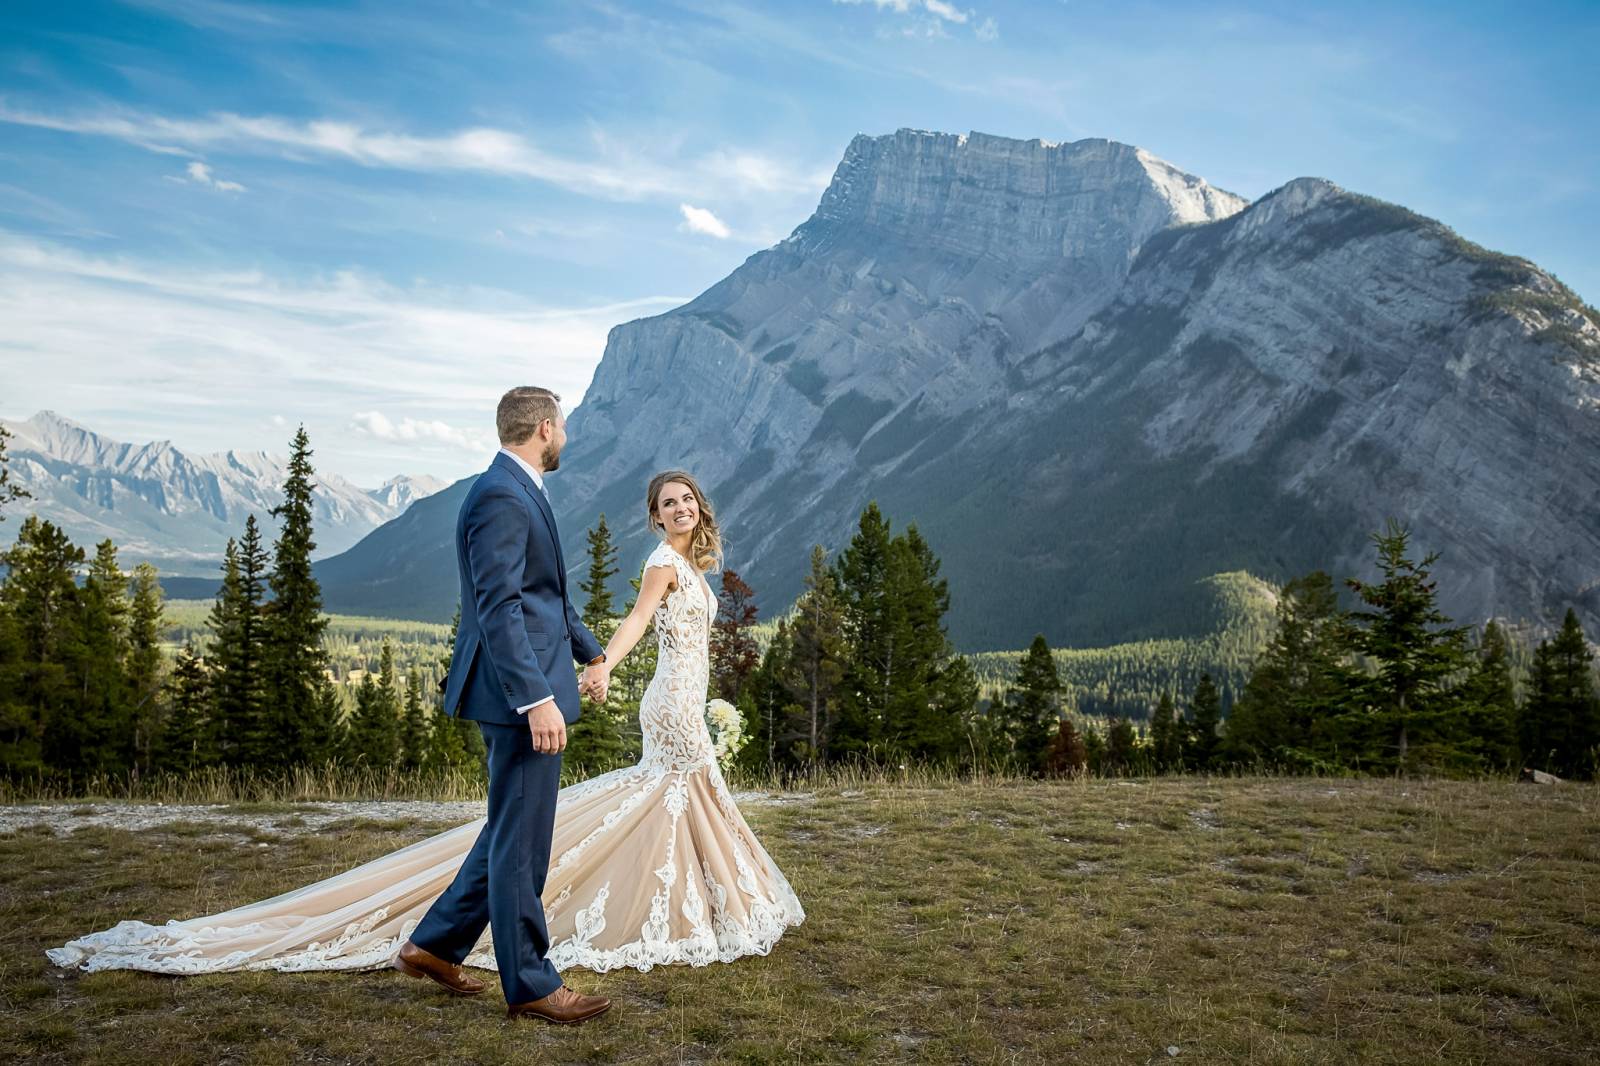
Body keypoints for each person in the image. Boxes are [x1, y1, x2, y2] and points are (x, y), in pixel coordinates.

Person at [47, 390, 805, 1028]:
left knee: (510, 834)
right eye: (563, 426)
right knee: (523, 847)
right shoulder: (502, 495)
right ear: (544, 429)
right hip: (518, 698)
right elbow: (501, 608)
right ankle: (534, 986)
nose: (566, 436)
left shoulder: (515, 490)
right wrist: (540, 698)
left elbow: (545, 600)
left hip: (533, 686)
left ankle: (434, 945)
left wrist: (586, 654)